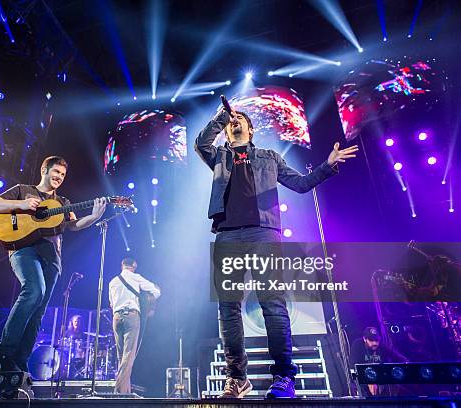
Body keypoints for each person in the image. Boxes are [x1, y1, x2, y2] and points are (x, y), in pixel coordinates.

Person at [195, 106, 358, 398]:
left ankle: (284, 377)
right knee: (228, 308)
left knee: (272, 303)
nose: (235, 122)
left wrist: (328, 164)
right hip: (227, 235)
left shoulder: (269, 158)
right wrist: (221, 117)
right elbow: (201, 143)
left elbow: (301, 184)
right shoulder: (220, 156)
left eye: (240, 119)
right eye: (232, 120)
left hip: (263, 233)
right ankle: (237, 378)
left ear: (251, 129)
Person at [0, 155, 106, 372]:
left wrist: (94, 217)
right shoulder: (23, 189)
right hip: (23, 249)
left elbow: (74, 224)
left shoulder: (63, 203)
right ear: (44, 170)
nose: (59, 177)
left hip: (52, 257)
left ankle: (19, 363)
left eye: (63, 174)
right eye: (56, 172)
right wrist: (22, 203)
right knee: (33, 290)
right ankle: (3, 352)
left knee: (39, 310)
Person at [108, 258, 161, 394]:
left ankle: (125, 392)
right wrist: (148, 302)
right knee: (128, 356)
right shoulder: (136, 277)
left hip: (116, 317)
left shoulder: (112, 282)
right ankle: (118, 392)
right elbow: (156, 291)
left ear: (122, 266)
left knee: (122, 358)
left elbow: (111, 304)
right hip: (131, 316)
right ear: (134, 266)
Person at [350, 327, 407, 396]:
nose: (375, 343)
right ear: (365, 339)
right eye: (371, 340)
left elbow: (395, 355)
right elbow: (353, 366)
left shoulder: (381, 346)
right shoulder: (357, 345)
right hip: (363, 381)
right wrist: (368, 380)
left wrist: (406, 363)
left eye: (377, 340)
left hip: (380, 381)